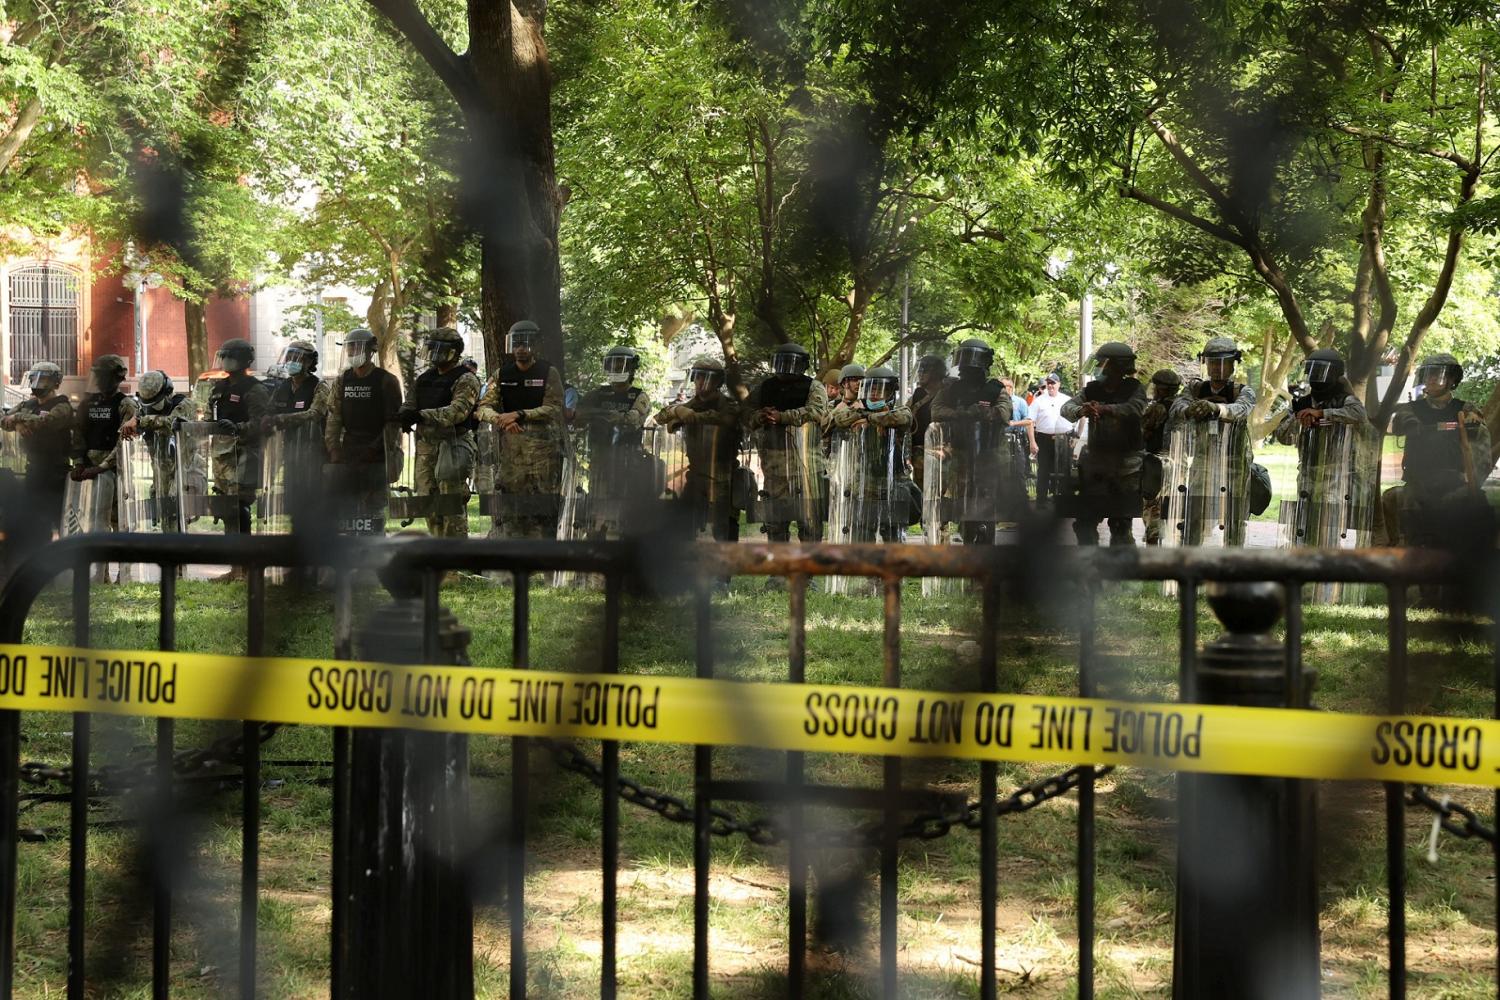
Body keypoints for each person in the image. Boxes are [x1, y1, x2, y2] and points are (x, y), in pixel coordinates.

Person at [1385, 352, 1492, 548]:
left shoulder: (1467, 410)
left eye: (1438, 374)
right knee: (1411, 544)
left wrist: (1472, 483)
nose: (1432, 379)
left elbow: (1482, 451)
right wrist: (1409, 423)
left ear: (1452, 379)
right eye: (1428, 374)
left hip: (1454, 485)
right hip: (1417, 486)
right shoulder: (1410, 409)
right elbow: (1399, 422)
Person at [475, 320, 565, 539]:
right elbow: (482, 408)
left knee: (545, 506)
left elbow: (554, 407)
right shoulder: (502, 374)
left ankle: (546, 559)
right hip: (511, 453)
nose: (521, 349)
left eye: (525, 344)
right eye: (516, 344)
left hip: (543, 453)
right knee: (510, 505)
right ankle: (513, 555)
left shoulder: (547, 372)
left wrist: (521, 414)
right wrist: (501, 419)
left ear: (534, 345)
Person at [1166, 336, 1257, 546]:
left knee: (1234, 517)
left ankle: (1233, 561)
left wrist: (1217, 409)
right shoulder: (1195, 389)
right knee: (1195, 512)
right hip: (1203, 461)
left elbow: (1241, 409)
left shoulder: (1242, 391)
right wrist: (1190, 409)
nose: (1217, 368)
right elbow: (1176, 409)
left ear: (1233, 364)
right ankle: (1190, 558)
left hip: (1233, 463)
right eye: (1213, 362)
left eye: (1223, 362)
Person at [1060, 343, 1147, 546]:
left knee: (1120, 525)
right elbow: (1067, 408)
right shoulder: (1093, 389)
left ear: (1117, 367)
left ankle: (1121, 569)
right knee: (1085, 523)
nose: (1100, 368)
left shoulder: (1134, 388)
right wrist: (1083, 410)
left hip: (1127, 466)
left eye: (1104, 364)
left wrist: (1106, 409)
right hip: (1096, 466)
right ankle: (1090, 567)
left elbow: (1136, 408)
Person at [399, 327, 482, 538]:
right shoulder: (425, 378)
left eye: (439, 350)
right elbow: (410, 404)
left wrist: (421, 416)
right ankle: (437, 557)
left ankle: (457, 561)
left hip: (453, 445)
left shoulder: (466, 378)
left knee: (450, 504)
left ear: (453, 352)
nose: (434, 355)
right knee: (428, 502)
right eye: (431, 349)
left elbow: (458, 412)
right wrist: (404, 416)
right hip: (427, 447)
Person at [930, 338, 1012, 544]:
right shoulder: (952, 389)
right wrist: (961, 413)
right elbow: (936, 410)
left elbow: (1004, 414)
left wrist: (984, 413)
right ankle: (968, 550)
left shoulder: (995, 389)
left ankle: (985, 555)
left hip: (988, 456)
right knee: (965, 509)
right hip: (961, 457)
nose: (968, 366)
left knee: (985, 511)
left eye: (973, 359)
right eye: (965, 359)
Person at [654, 357, 741, 541]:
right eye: (698, 377)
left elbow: (726, 418)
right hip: (695, 475)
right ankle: (688, 567)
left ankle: (725, 568)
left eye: (707, 378)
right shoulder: (690, 405)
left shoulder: (728, 405)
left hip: (722, 475)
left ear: (718, 382)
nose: (701, 382)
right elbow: (660, 417)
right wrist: (677, 411)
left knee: (724, 529)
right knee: (684, 525)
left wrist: (689, 416)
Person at [745, 343, 826, 542]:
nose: (785, 369)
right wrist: (760, 417)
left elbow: (817, 411)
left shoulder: (814, 386)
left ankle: (808, 571)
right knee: (775, 523)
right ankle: (779, 569)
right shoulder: (765, 387)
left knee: (809, 523)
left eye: (791, 364)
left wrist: (783, 417)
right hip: (775, 467)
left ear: (803, 365)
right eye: (781, 363)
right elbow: (746, 412)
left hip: (806, 466)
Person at [325, 328, 402, 535]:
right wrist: (333, 449)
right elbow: (334, 417)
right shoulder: (343, 380)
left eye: (357, 347)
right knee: (348, 509)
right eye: (349, 347)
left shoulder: (386, 381)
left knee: (374, 509)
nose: (352, 352)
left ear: (371, 350)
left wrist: (375, 449)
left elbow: (393, 423)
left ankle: (375, 555)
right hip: (349, 452)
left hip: (377, 456)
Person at [574, 345, 653, 538]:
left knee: (624, 510)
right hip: (601, 459)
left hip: (627, 461)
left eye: (621, 364)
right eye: (613, 364)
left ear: (631, 368)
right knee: (597, 507)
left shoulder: (639, 396)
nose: (617, 369)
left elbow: (632, 421)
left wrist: (600, 415)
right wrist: (603, 415)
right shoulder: (598, 394)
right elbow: (578, 415)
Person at [827, 365, 913, 542]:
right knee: (863, 536)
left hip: (894, 484)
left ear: (890, 392)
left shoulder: (901, 411)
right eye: (871, 388)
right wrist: (861, 412)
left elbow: (902, 418)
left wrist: (868, 418)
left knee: (894, 537)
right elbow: (838, 419)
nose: (875, 393)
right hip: (864, 485)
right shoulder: (855, 411)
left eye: (881, 389)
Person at [1, 361, 73, 544]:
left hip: (56, 472)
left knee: (59, 520)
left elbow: (47, 422)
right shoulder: (29, 404)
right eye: (35, 379)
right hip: (33, 470)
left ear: (56, 382)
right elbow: (3, 419)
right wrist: (17, 424)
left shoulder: (62, 405)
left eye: (44, 379)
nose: (38, 383)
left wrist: (17, 418)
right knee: (33, 520)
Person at [205, 339, 270, 540]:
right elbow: (209, 415)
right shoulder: (219, 387)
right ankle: (234, 563)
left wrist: (238, 428)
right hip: (222, 455)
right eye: (222, 356)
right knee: (226, 507)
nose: (224, 360)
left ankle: (245, 563)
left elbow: (261, 423)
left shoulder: (255, 389)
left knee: (239, 506)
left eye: (229, 357)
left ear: (242, 360)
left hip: (244, 455)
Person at [263, 341, 331, 528]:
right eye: (290, 357)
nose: (292, 361)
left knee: (312, 502)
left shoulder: (319, 386)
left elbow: (315, 414)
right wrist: (267, 420)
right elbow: (269, 411)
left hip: (313, 455)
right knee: (292, 502)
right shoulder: (283, 386)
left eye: (297, 358)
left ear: (309, 362)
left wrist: (282, 419)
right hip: (288, 453)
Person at [120, 370, 194, 531]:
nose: (153, 409)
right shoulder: (145, 410)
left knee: (177, 515)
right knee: (167, 520)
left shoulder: (183, 404)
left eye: (156, 404)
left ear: (168, 393)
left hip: (184, 470)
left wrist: (140, 421)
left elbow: (170, 423)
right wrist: (132, 426)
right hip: (160, 473)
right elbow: (136, 425)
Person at [1140, 369, 1182, 545]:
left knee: (1153, 506)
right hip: (1180, 462)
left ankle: (1153, 546)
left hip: (1158, 463)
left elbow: (1142, 431)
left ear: (1162, 389)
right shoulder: (1182, 406)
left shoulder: (1158, 408)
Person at [908, 354, 951, 494]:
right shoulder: (918, 395)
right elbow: (905, 414)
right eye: (919, 370)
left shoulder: (949, 394)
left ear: (936, 373)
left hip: (942, 453)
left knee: (938, 499)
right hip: (920, 454)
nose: (920, 374)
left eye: (924, 371)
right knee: (921, 497)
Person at [1029, 374, 1074, 507]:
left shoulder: (1067, 400)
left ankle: (1062, 500)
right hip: (1044, 438)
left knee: (1064, 470)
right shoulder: (1038, 401)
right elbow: (1029, 422)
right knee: (1043, 470)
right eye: (1048, 383)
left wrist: (1075, 436)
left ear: (1059, 384)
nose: (1050, 385)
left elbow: (1077, 419)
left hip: (1063, 438)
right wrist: (1032, 441)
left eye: (1053, 383)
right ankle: (1041, 501)